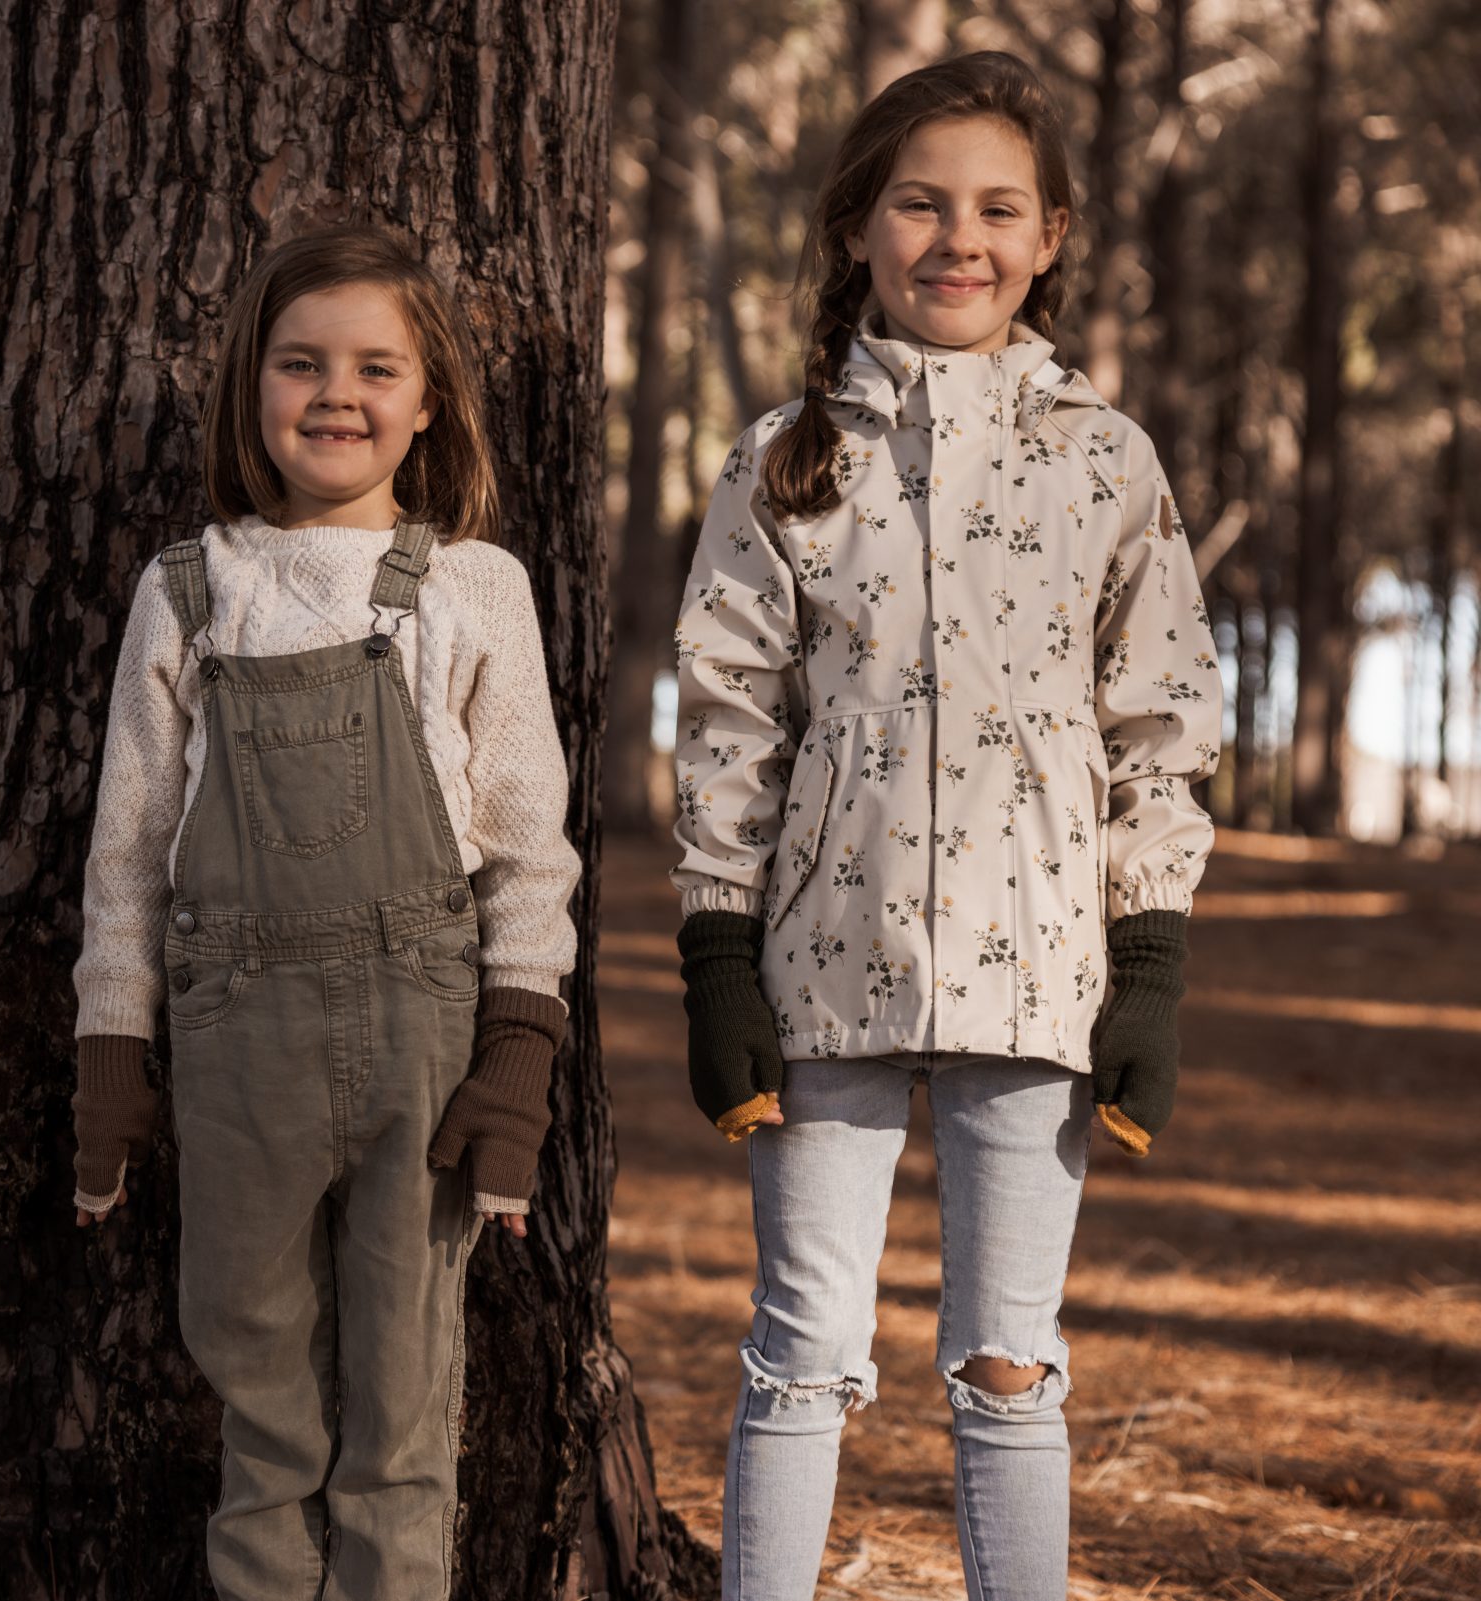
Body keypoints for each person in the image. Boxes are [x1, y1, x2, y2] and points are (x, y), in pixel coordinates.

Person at [667, 52, 1221, 1601]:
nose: (955, 238)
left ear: (1050, 237)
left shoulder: (1104, 460)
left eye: (995, 208)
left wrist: (1151, 965)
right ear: (860, 227)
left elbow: (1161, 725)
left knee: (1010, 1364)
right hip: (820, 967)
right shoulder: (786, 460)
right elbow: (727, 720)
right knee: (799, 1352)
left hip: (1039, 973)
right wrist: (719, 960)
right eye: (919, 202)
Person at [65, 225, 581, 1599]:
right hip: (236, 1052)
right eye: (301, 363)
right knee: (264, 1412)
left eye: (375, 366)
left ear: (428, 402)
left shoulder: (473, 589)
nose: (337, 393)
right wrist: (111, 1050)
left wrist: (521, 1057)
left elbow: (532, 851)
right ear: (250, 389)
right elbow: (124, 856)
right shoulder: (188, 593)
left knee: (407, 1422)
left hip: (426, 1045)